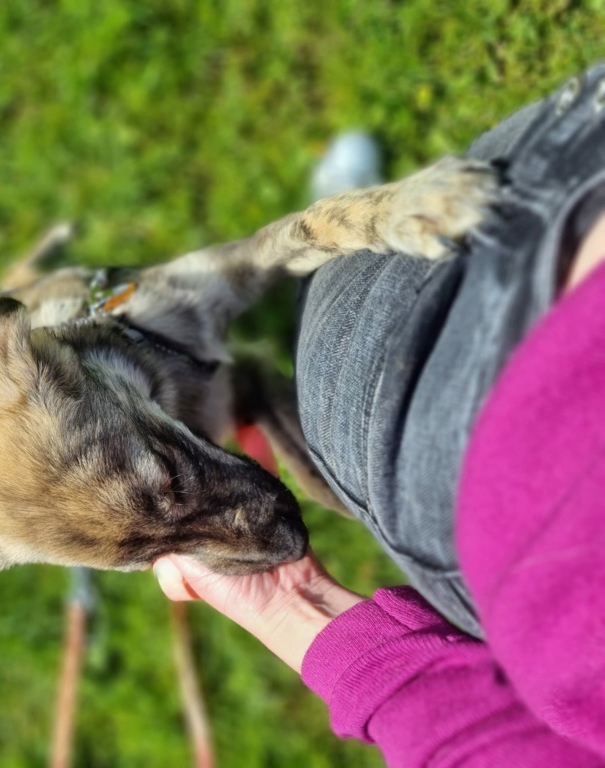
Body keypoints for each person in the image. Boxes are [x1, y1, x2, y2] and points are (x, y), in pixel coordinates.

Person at [155, 63, 605, 766]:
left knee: (332, 360)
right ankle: (323, 275)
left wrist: (291, 605)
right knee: (331, 369)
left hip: (508, 521)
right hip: (524, 477)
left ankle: (323, 273)